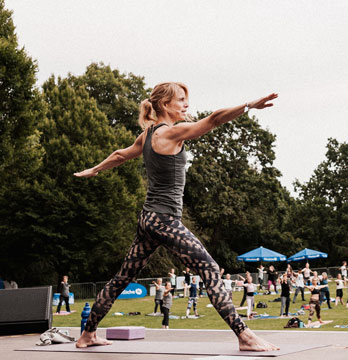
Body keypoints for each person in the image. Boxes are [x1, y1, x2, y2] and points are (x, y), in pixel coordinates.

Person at [73, 83, 278, 351]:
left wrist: (96, 168)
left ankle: (87, 334)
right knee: (210, 269)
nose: (186, 105)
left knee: (122, 277)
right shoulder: (170, 134)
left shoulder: (147, 135)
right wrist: (249, 105)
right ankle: (245, 336)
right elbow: (215, 119)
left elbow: (120, 155)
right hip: (164, 220)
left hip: (148, 219)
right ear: (165, 105)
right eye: (181, 100)